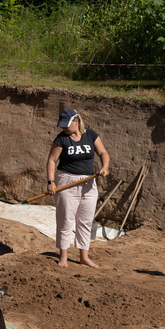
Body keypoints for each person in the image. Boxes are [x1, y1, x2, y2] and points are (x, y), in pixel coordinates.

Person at [46, 108, 110, 268]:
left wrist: (105, 167)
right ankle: (63, 257)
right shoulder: (61, 139)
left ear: (76, 121)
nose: (63, 128)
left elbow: (103, 152)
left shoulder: (90, 135)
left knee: (85, 220)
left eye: (66, 125)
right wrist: (50, 182)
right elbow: (52, 160)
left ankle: (84, 256)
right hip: (67, 182)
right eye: (62, 126)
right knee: (65, 219)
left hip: (88, 183)